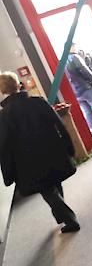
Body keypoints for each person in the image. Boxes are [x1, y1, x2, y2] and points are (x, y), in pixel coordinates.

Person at [0, 71, 80, 233]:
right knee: (53, 182)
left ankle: (69, 220)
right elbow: (59, 125)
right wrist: (68, 146)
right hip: (52, 150)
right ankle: (61, 215)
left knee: (47, 189)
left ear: (2, 91)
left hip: (28, 162)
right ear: (18, 84)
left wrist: (8, 174)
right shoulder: (38, 102)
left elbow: (5, 146)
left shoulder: (4, 116)